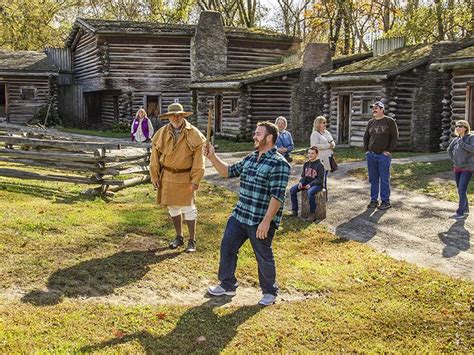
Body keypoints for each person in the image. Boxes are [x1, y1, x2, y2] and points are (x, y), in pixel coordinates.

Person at [203, 121, 291, 306]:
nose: (254, 137)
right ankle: (227, 284)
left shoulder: (279, 163)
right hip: (240, 214)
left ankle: (269, 292)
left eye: (258, 134)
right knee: (227, 248)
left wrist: (267, 221)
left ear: (269, 138)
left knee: (263, 256)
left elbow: (277, 196)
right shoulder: (251, 158)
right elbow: (227, 172)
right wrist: (212, 157)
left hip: (260, 219)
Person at [149, 103, 206, 252]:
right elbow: (154, 157)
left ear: (183, 116)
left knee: (189, 208)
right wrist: (154, 175)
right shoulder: (161, 133)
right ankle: (179, 237)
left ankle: (192, 240)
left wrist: (196, 179)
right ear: (168, 117)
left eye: (179, 115)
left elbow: (199, 161)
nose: (176, 118)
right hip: (167, 175)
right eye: (173, 115)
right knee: (172, 207)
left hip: (186, 176)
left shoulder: (194, 134)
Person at [363, 101, 399, 210]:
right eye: (373, 108)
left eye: (376, 108)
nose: (374, 110)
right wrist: (367, 151)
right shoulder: (371, 122)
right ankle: (374, 200)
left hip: (383, 156)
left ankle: (385, 201)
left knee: (384, 179)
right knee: (373, 179)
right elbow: (366, 137)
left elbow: (395, 137)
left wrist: (389, 150)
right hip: (371, 155)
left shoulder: (389, 121)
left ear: (382, 109)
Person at [289, 146, 325, 222]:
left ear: (317, 154)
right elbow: (303, 176)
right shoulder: (306, 164)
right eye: (309, 153)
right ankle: (294, 211)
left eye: (312, 153)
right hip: (306, 183)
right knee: (292, 190)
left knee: (310, 192)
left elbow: (320, 179)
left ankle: (312, 214)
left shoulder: (320, 165)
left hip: (317, 185)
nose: (310, 155)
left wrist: (311, 184)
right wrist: (301, 182)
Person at [447, 120, 473, 219]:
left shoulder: (471, 138)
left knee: (462, 189)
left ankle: (460, 213)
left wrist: (463, 143)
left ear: (465, 128)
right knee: (460, 189)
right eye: (457, 126)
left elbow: (473, 149)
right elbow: (449, 149)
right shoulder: (456, 139)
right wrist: (453, 159)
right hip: (457, 167)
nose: (458, 128)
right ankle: (465, 209)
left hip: (468, 167)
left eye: (460, 126)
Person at [310, 115, 335, 188]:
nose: (325, 124)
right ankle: (318, 196)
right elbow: (314, 145)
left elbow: (332, 142)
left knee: (325, 179)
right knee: (320, 179)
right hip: (320, 160)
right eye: (323, 123)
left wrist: (332, 145)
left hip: (328, 159)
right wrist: (328, 146)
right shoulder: (315, 134)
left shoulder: (327, 132)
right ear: (318, 124)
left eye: (325, 122)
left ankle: (324, 197)